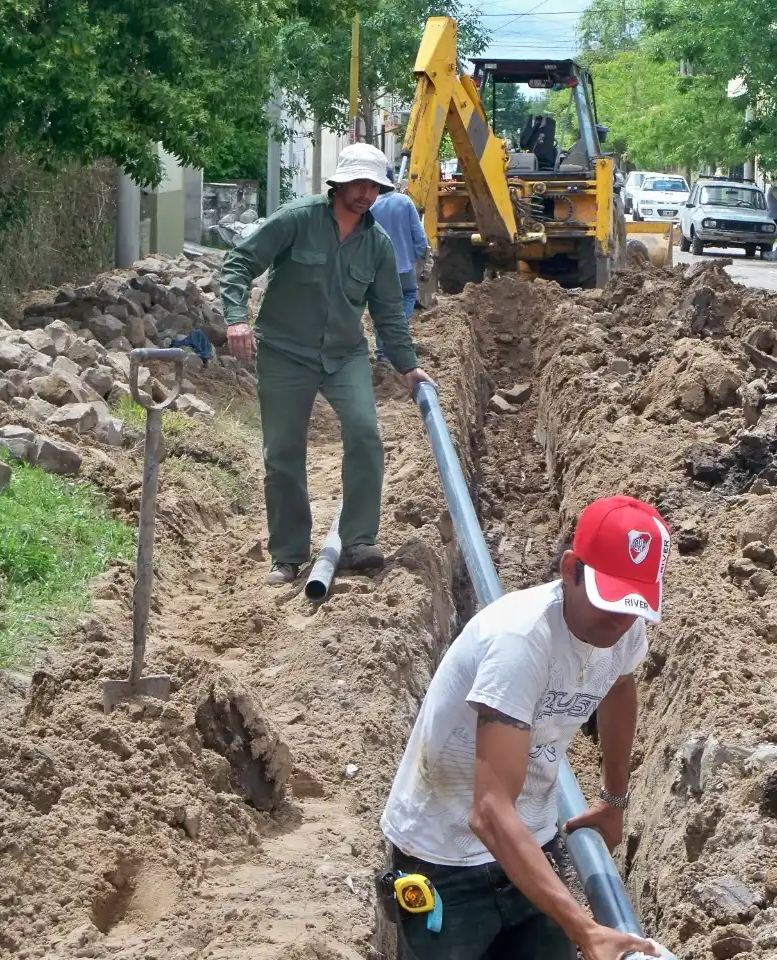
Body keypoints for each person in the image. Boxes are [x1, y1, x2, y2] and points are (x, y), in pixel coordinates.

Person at [381, 495, 671, 960]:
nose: (621, 620)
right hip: (445, 858)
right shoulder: (519, 642)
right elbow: (489, 813)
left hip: (533, 840)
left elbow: (619, 685)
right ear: (571, 569)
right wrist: (585, 928)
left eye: (635, 605)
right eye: (610, 599)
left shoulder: (624, 627)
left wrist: (613, 800)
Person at [220, 143, 434, 586]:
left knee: (364, 434)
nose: (365, 194)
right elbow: (240, 261)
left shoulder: (377, 244)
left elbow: (389, 314)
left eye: (374, 186)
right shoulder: (298, 220)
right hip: (284, 351)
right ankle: (288, 554)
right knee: (282, 454)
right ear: (339, 183)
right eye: (358, 183)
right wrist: (236, 319)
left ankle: (357, 540)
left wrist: (408, 366)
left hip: (344, 355)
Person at [369, 167, 429, 364]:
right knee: (409, 294)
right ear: (393, 181)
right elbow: (419, 236)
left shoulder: (369, 206)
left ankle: (382, 355)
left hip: (377, 269)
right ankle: (398, 331)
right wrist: (421, 257)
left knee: (380, 309)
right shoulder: (404, 202)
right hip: (403, 266)